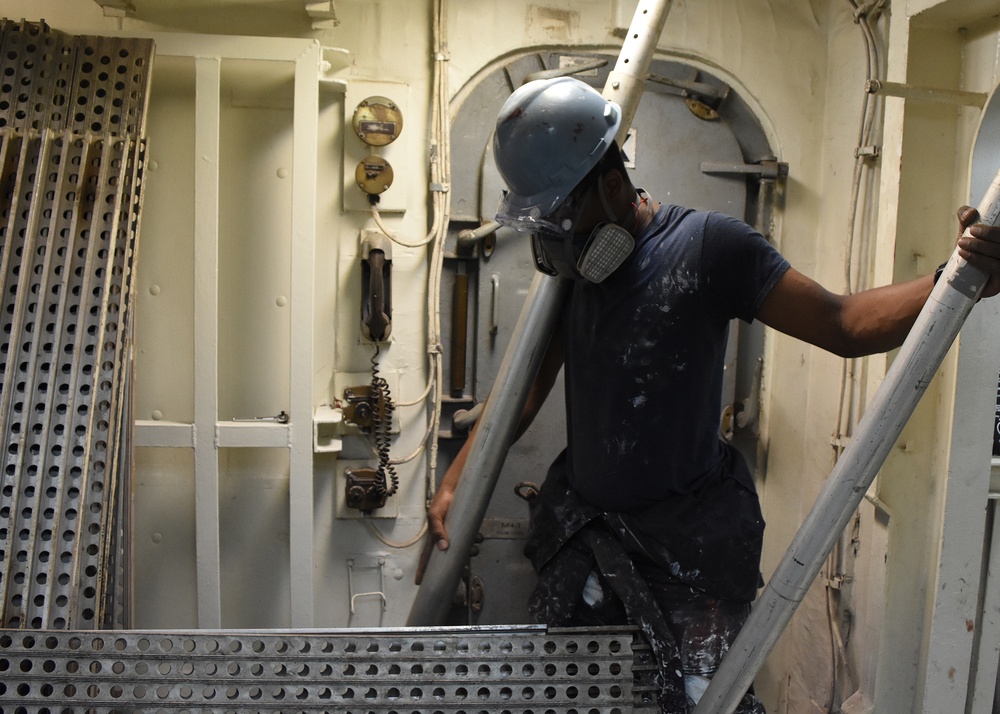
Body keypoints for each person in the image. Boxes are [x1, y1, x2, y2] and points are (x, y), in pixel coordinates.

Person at [420, 77, 1000, 712]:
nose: (553, 242)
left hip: (687, 552)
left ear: (612, 184)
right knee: (584, 696)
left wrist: (958, 278)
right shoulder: (574, 272)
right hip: (591, 535)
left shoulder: (709, 247)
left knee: (701, 701)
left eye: (562, 216)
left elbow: (844, 324)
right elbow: (530, 384)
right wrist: (461, 476)